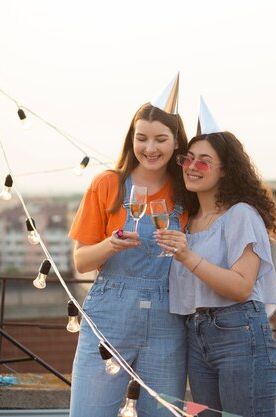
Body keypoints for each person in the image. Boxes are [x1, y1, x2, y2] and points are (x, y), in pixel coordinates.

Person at [68, 75, 191, 417]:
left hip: (169, 320)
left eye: (161, 139)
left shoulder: (188, 193)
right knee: (89, 411)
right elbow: (80, 261)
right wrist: (111, 244)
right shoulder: (107, 184)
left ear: (176, 143)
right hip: (109, 315)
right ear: (131, 139)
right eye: (142, 138)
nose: (150, 148)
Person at [155, 102, 276, 417]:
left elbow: (241, 287)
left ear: (225, 169)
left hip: (239, 332)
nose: (192, 166)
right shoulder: (186, 220)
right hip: (196, 336)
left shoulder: (240, 214)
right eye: (188, 159)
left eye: (205, 161)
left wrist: (186, 256)